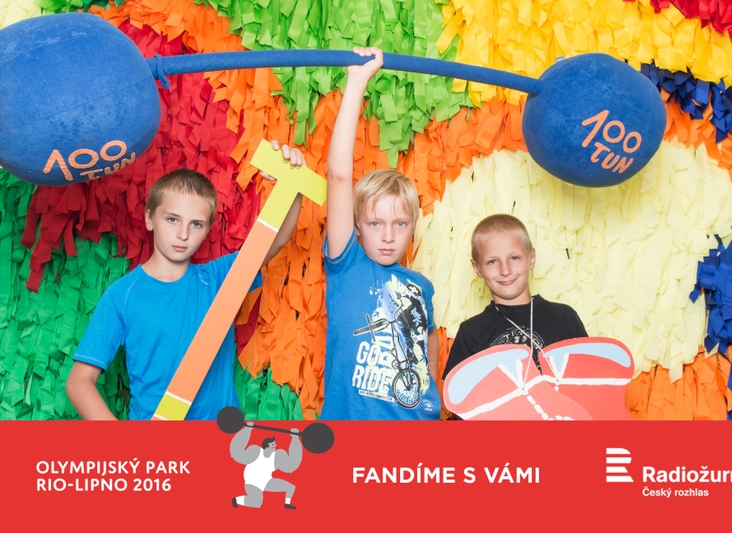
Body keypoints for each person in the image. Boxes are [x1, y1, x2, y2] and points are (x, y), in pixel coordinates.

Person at [65, 142, 306, 420]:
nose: (183, 234)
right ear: (149, 219)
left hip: (222, 437)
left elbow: (277, 239)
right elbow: (79, 382)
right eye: (172, 219)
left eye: (196, 224)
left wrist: (292, 182)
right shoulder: (122, 295)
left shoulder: (220, 277)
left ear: (207, 229)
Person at [322, 47, 440, 420]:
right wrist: (357, 81)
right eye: (375, 224)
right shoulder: (347, 264)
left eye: (399, 224)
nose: (388, 236)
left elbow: (429, 337)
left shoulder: (421, 286)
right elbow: (339, 175)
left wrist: (430, 397)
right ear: (357, 227)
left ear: (412, 228)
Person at [442, 214, 588, 382]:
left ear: (531, 258)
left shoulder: (564, 318)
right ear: (477, 268)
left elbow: (589, 380)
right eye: (492, 261)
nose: (505, 270)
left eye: (514, 258)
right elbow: (456, 394)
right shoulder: (471, 332)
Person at [230, 423, 302, 510]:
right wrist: (247, 430)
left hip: (266, 481)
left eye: (275, 444)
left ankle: (287, 504)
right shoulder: (256, 452)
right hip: (253, 482)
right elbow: (238, 452)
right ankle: (236, 500)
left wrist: (295, 438)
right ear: (267, 445)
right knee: (256, 503)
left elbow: (292, 464)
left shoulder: (276, 457)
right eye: (273, 444)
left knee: (290, 487)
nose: (275, 446)